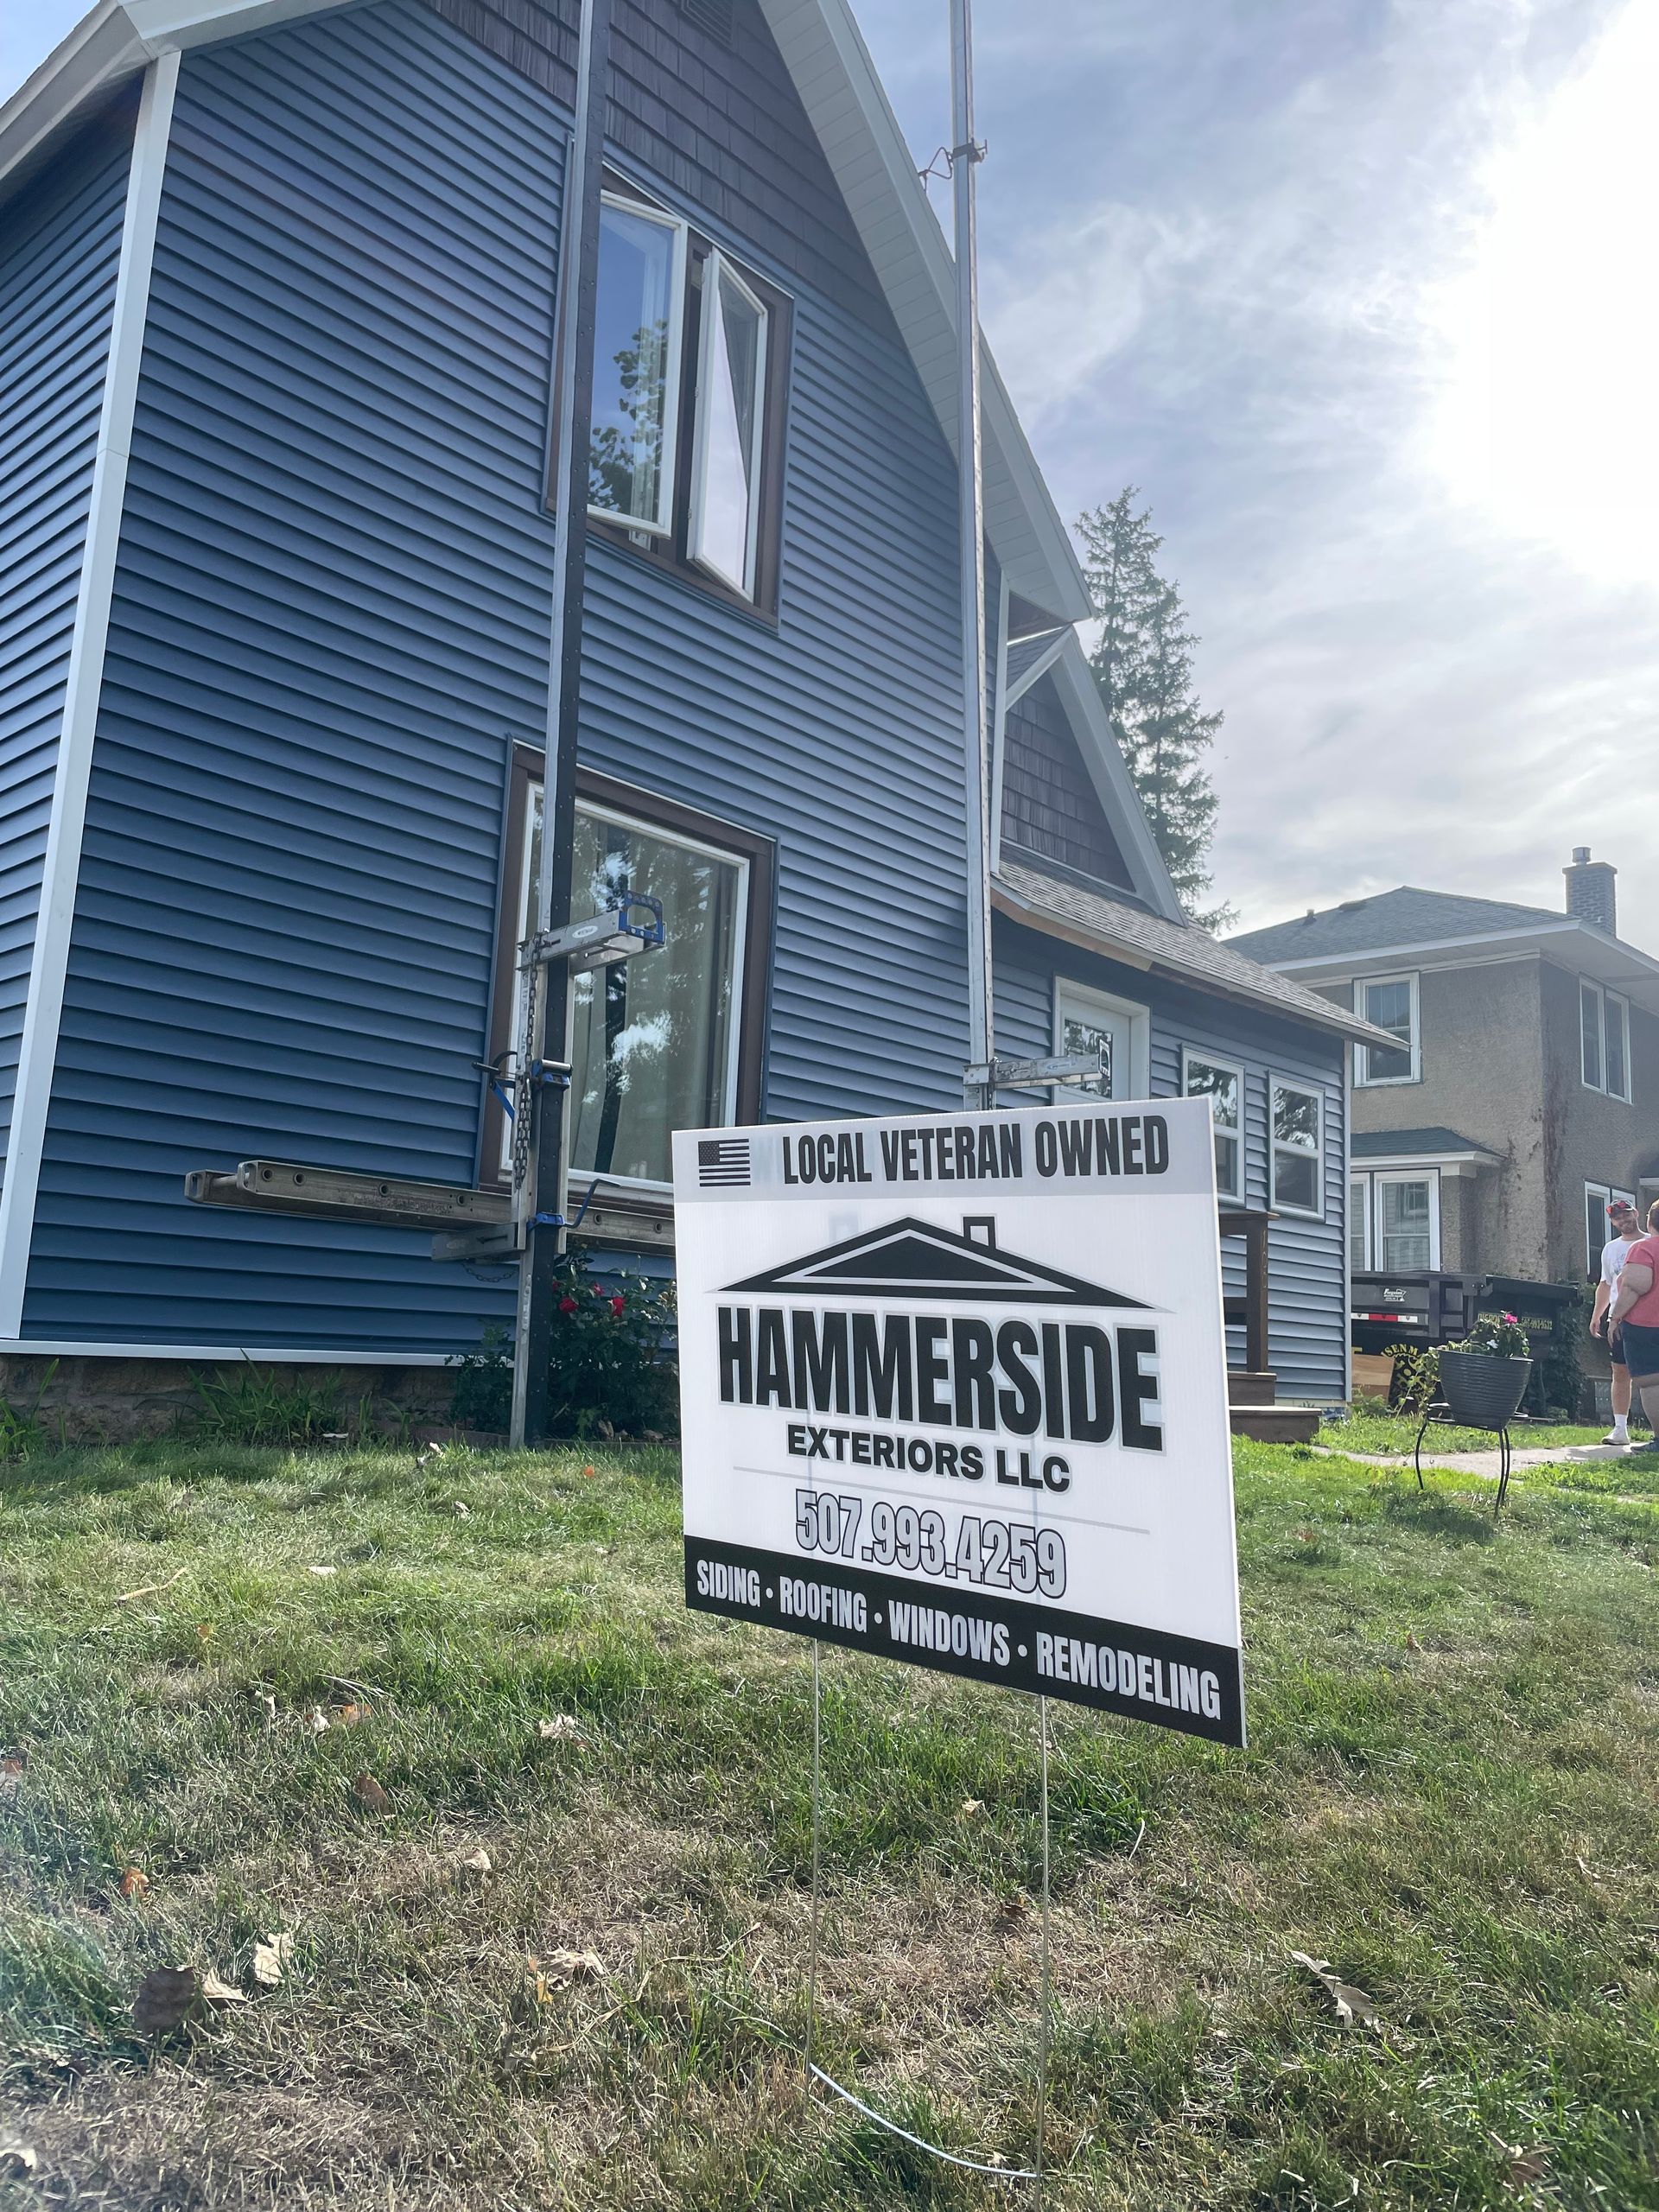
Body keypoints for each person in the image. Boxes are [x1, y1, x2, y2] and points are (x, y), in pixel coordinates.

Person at [1607, 1199, 1659, 1452]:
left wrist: (1615, 1318)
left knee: (1651, 1382)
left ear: (1649, 1221)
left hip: (1646, 1326)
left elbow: (1636, 1285)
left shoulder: (1644, 1248)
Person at [1591, 1198, 1643, 1444]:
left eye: (1626, 1214)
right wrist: (1597, 1315)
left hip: (1649, 1318)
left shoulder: (1651, 1243)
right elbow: (1605, 1284)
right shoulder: (1610, 1249)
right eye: (1617, 1217)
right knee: (1619, 1372)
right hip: (1619, 1320)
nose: (1623, 1220)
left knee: (1651, 1375)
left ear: (1637, 1213)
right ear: (1612, 1221)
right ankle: (1620, 1429)